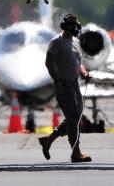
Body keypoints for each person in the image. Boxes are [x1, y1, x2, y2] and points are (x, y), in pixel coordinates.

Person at [38, 14, 92, 163]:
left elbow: (78, 63)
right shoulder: (57, 42)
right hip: (63, 84)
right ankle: (76, 153)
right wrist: (57, 79)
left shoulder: (75, 42)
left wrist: (84, 73)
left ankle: (48, 140)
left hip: (75, 84)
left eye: (76, 25)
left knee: (75, 117)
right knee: (73, 117)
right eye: (72, 25)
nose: (75, 28)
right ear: (65, 26)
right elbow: (49, 62)